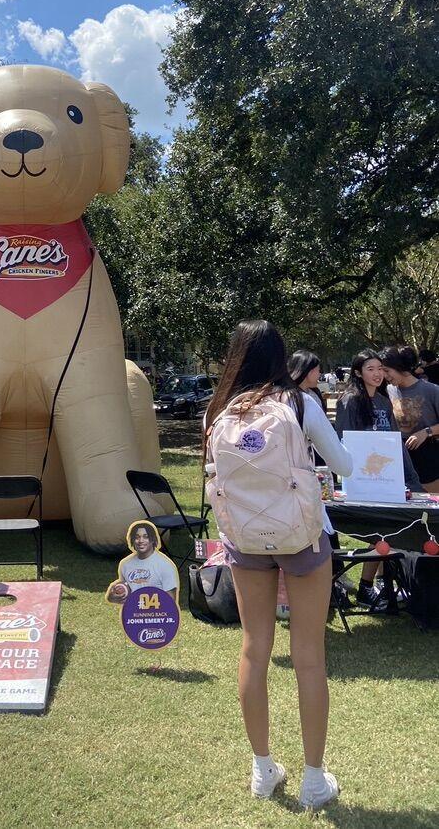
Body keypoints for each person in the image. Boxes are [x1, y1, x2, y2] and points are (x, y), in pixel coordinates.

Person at [204, 320, 351, 809]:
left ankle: (262, 768)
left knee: (254, 648)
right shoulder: (299, 403)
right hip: (301, 537)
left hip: (245, 540)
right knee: (308, 656)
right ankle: (313, 777)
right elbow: (345, 466)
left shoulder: (218, 410)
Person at [335, 349, 420, 608]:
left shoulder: (384, 403)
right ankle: (367, 587)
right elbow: (343, 441)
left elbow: (396, 444)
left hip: (388, 478)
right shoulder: (349, 401)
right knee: (378, 534)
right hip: (364, 479)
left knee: (388, 533)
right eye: (371, 369)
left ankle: (379, 586)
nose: (378, 374)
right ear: (359, 373)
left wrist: (411, 478)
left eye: (380, 369)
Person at [379, 346, 439, 492]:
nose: (384, 375)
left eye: (386, 370)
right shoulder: (388, 391)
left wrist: (425, 432)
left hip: (428, 455)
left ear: (399, 367)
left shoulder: (431, 390)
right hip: (399, 455)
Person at [106, 522, 178, 602]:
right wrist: (113, 596)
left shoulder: (165, 565)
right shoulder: (125, 564)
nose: (141, 541)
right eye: (137, 537)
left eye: (146, 537)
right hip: (133, 613)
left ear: (153, 539)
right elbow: (124, 593)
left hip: (157, 613)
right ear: (132, 540)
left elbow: (171, 602)